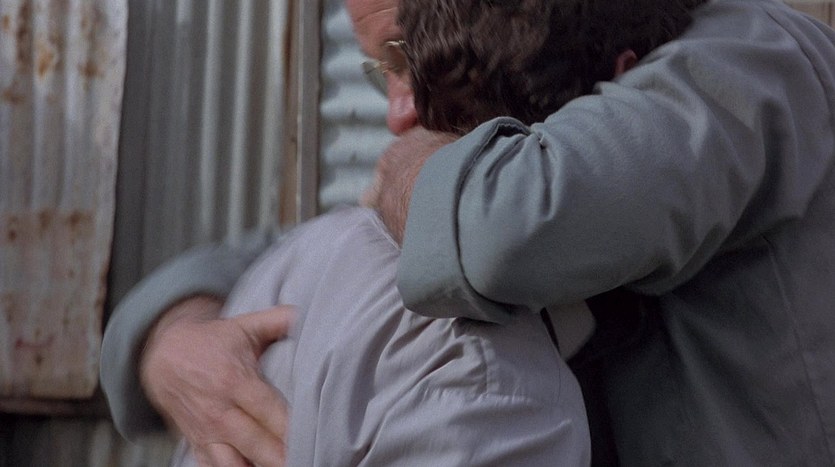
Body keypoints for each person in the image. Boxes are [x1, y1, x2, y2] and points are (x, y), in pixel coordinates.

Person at [368, 0, 835, 465]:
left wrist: (407, 172)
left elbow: (497, 234)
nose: (398, 115)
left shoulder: (729, 68)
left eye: (399, 55)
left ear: (618, 75)